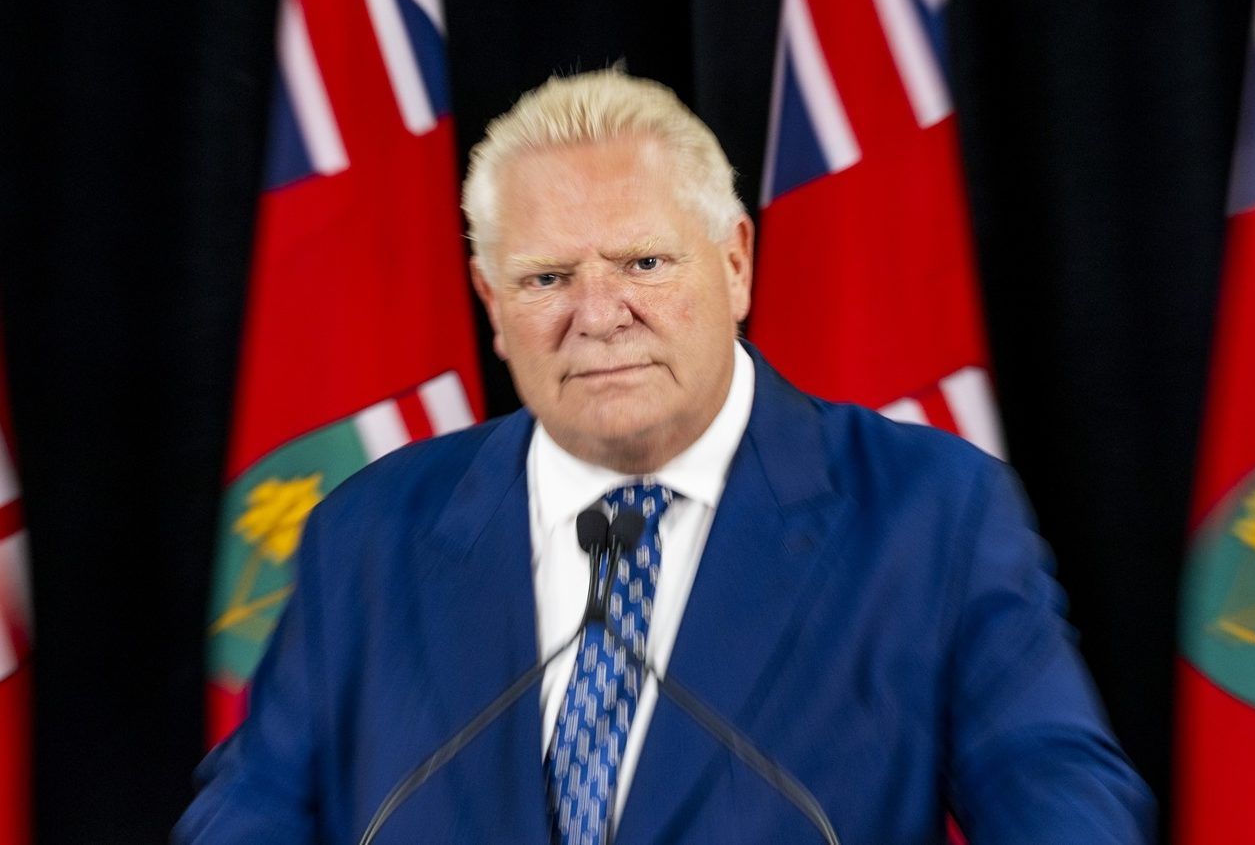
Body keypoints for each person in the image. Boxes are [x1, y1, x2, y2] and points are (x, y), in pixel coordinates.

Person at [176, 70, 1154, 844]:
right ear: (489, 303)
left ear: (734, 263)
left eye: (643, 264)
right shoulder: (369, 534)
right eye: (546, 277)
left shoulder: (927, 513)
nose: (597, 316)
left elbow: (1055, 787)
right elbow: (255, 802)